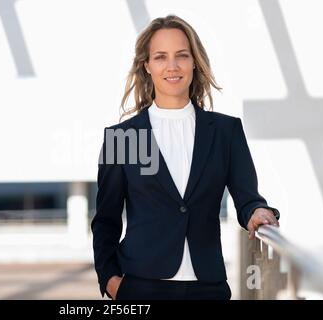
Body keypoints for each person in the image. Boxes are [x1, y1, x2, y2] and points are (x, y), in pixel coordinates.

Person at [91, 15, 280, 300]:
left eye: (182, 55)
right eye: (160, 57)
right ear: (147, 66)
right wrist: (110, 281)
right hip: (140, 285)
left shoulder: (226, 132)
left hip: (208, 286)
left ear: (194, 61)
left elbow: (247, 198)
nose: (172, 66)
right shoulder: (124, 137)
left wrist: (258, 212)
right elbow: (106, 220)